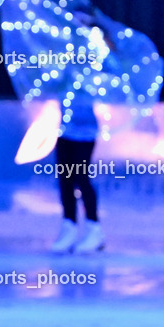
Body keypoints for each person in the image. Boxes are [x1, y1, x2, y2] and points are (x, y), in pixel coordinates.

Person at [50, 89, 105, 254]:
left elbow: (110, 79)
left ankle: (94, 228)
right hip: (65, 129)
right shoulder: (63, 65)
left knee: (81, 178)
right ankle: (69, 226)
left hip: (86, 132)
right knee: (65, 180)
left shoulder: (95, 65)